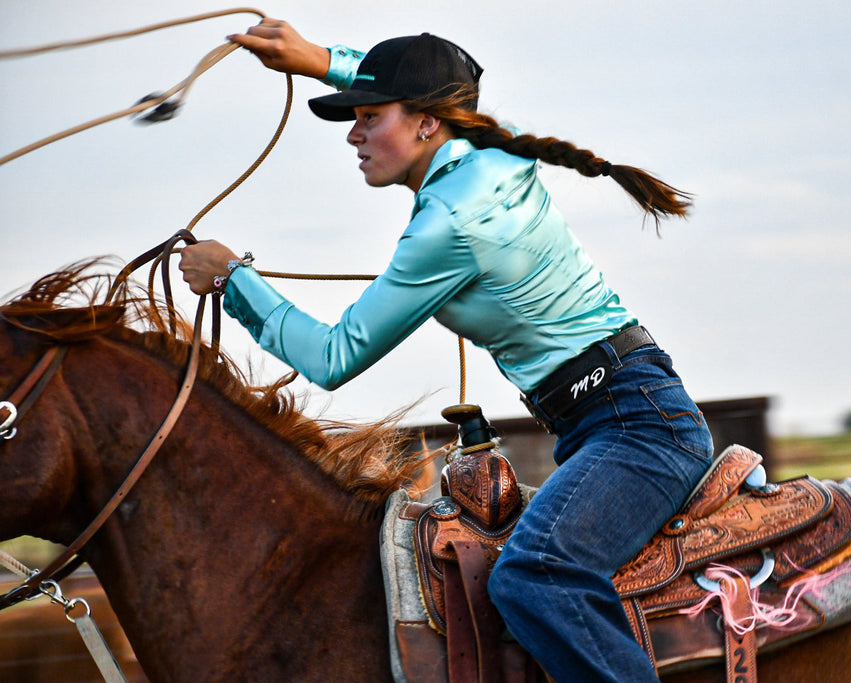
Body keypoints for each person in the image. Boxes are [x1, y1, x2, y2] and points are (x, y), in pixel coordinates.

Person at [179, 19, 714, 683]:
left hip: (634, 429)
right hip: (618, 411)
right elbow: (441, 95)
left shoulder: (449, 222)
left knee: (534, 578)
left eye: (369, 118)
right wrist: (321, 62)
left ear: (428, 124)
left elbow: (332, 356)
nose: (353, 134)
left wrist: (235, 280)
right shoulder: (490, 156)